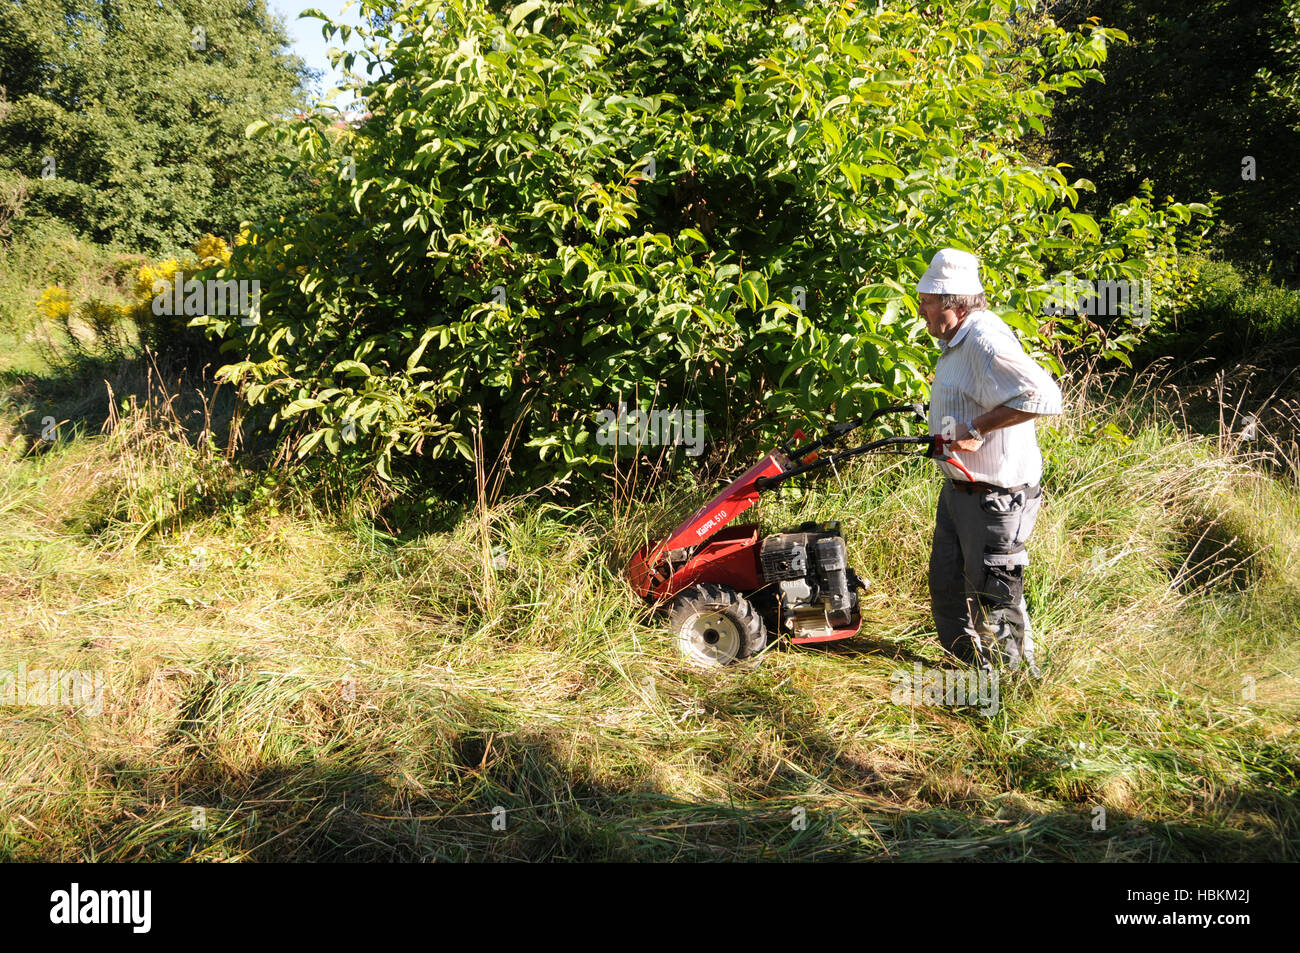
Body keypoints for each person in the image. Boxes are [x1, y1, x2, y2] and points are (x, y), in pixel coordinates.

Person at [915, 248, 1064, 675]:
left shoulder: (984, 339)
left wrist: (977, 428)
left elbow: (1043, 396)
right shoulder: (956, 340)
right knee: (946, 587)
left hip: (995, 500)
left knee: (995, 601)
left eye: (927, 302)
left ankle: (1015, 687)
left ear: (955, 304)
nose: (921, 309)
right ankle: (967, 672)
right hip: (958, 491)